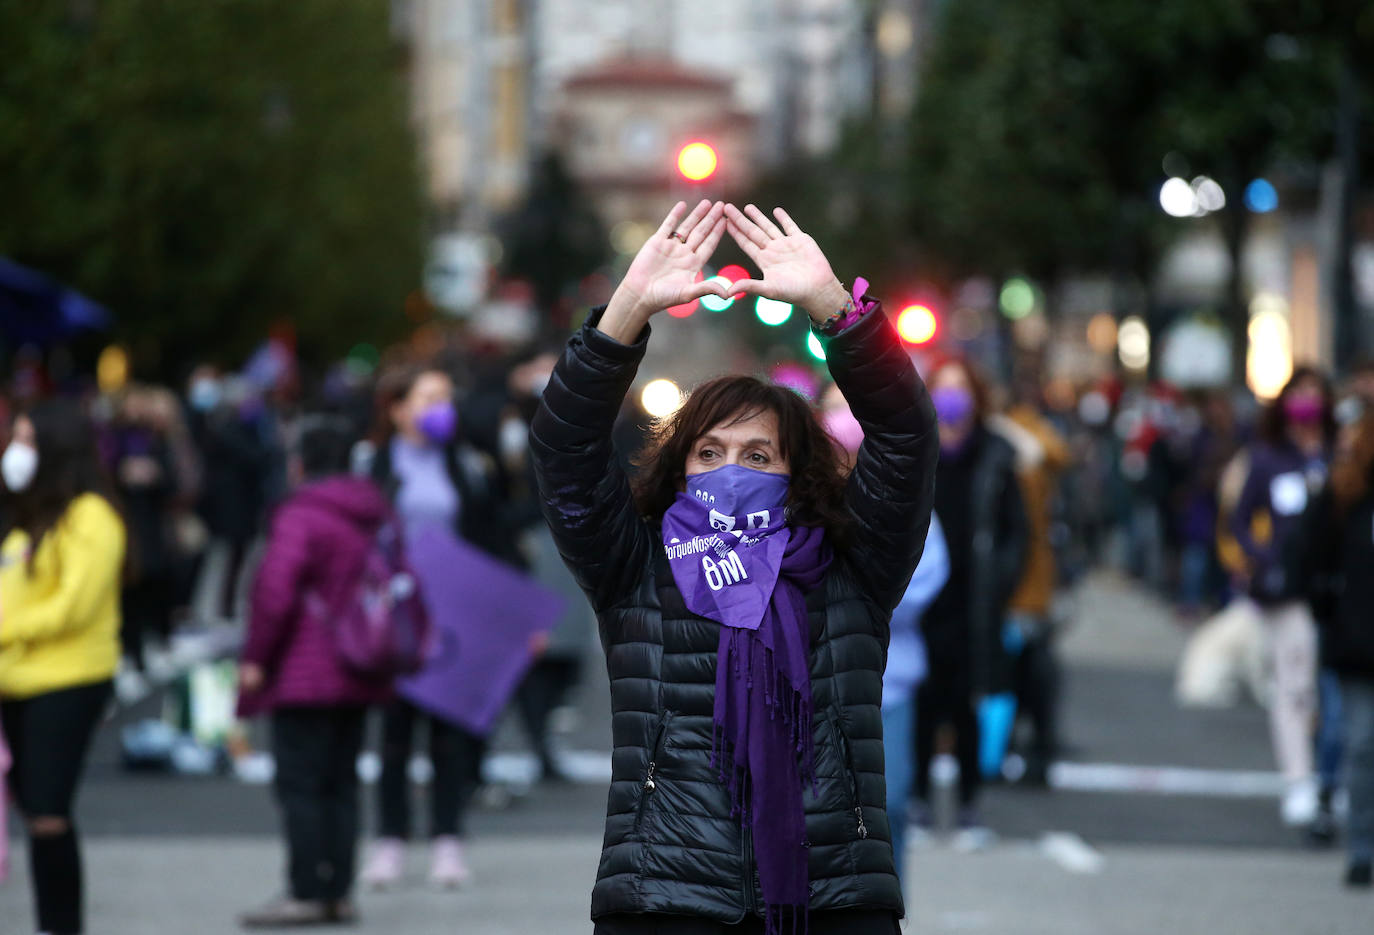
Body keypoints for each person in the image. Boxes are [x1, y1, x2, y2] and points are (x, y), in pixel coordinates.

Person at [531, 200, 938, 933]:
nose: (731, 470)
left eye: (758, 456)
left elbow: (906, 435)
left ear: (798, 472)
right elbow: (563, 451)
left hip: (835, 894)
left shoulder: (851, 562)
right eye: (709, 452)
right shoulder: (636, 563)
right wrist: (626, 310)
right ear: (680, 468)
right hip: (666, 893)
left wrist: (834, 310)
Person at [236, 416, 395, 927]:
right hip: (362, 661)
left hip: (304, 669)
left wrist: (256, 659)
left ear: (299, 462)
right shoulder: (373, 510)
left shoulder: (301, 513)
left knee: (301, 783)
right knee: (341, 782)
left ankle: (306, 890)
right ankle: (338, 892)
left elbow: (274, 592)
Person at [357, 364, 510, 889]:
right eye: (427, 397)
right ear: (397, 408)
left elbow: (491, 535)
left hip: (453, 617)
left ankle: (448, 842)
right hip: (395, 618)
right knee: (394, 738)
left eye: (445, 397)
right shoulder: (371, 463)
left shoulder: (465, 464)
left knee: (450, 738)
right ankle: (390, 843)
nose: (440, 407)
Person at [0, 399, 127, 935]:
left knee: (49, 812)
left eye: (27, 440)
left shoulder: (92, 518)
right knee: (32, 812)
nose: (16, 451)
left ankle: (61, 924)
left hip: (68, 681)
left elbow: (72, 606)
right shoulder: (29, 518)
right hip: (17, 680)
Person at [914, 356, 1027, 842]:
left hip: (974, 599)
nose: (953, 396)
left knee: (967, 704)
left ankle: (967, 806)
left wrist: (999, 582)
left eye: (962, 387)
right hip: (920, 598)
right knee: (921, 700)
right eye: (945, 386)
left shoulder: (997, 454)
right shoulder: (917, 447)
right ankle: (916, 798)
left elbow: (1017, 532)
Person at [1230, 366, 1335, 828]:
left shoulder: (1339, 455)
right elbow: (1239, 519)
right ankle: (1300, 780)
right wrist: (1264, 557)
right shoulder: (1268, 457)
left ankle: (1334, 778)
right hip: (1287, 589)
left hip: (1335, 586)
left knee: (1332, 690)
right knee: (1295, 687)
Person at [1291, 407, 1374, 887]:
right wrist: (1331, 614)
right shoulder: (1344, 497)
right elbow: (1311, 556)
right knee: (1359, 741)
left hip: (1352, 635)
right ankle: (1361, 847)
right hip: (1357, 643)